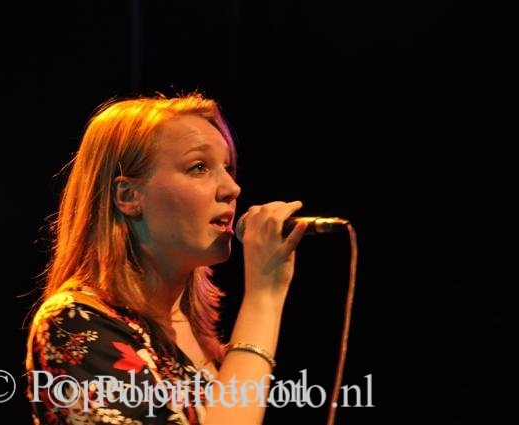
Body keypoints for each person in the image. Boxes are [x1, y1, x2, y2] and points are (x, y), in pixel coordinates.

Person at [25, 92, 308, 425]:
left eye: (228, 168)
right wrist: (263, 298)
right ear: (129, 196)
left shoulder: (194, 331)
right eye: (199, 167)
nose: (232, 188)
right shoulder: (74, 323)